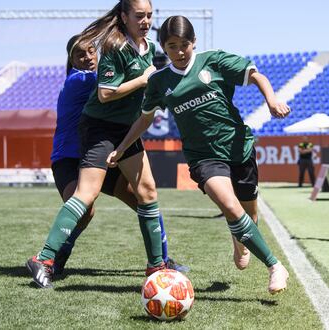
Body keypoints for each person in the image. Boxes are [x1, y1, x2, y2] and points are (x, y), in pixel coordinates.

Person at [107, 15, 291, 294]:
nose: (180, 52)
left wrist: (272, 99)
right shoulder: (159, 81)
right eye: (172, 46)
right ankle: (275, 267)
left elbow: (256, 75)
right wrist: (121, 148)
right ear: (163, 48)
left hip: (238, 147)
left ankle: (238, 235)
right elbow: (144, 119)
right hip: (203, 157)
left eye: (184, 45)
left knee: (248, 215)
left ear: (194, 42)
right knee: (230, 207)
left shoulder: (213, 61)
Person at [26, 0, 178, 289]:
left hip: (126, 130)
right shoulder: (114, 45)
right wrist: (145, 79)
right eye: (139, 16)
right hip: (100, 130)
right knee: (87, 195)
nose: (146, 21)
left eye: (149, 15)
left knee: (147, 192)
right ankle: (44, 258)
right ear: (124, 16)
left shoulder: (149, 49)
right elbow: (106, 93)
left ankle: (157, 266)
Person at [49, 34, 187, 276]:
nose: (88, 57)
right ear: (70, 60)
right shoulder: (79, 80)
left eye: (92, 51)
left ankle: (162, 260)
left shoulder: (100, 72)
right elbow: (111, 88)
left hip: (98, 149)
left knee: (143, 198)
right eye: (80, 54)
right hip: (69, 157)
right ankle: (54, 259)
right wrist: (149, 74)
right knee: (85, 210)